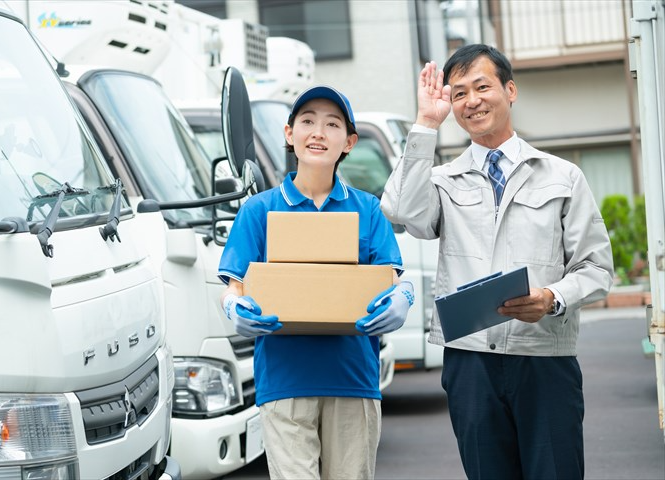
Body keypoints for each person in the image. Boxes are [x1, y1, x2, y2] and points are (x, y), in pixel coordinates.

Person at [381, 44, 614, 479]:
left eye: (482, 86)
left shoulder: (562, 176)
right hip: (471, 363)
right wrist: (426, 123)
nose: (471, 101)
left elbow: (597, 268)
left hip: (544, 356)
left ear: (510, 90)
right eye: (459, 93)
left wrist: (551, 297)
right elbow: (398, 211)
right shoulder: (441, 180)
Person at [218, 85, 414, 480]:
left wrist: (403, 298)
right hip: (284, 381)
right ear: (289, 134)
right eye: (307, 121)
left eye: (332, 124)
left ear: (350, 141)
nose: (318, 132)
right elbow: (234, 283)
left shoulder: (368, 210)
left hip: (353, 380)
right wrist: (232, 306)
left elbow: (392, 279)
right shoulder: (259, 210)